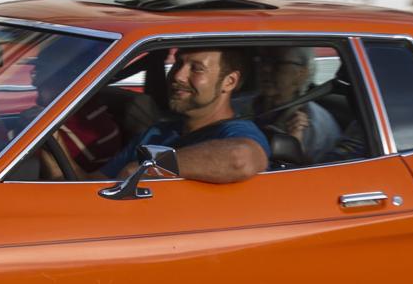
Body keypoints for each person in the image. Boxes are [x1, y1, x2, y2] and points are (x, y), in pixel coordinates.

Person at [53, 47, 269, 184]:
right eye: (178, 63)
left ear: (229, 82)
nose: (178, 75)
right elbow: (93, 185)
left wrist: (151, 165)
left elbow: (240, 158)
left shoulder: (236, 132)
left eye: (196, 68)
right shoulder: (158, 133)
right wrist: (52, 145)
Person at [29, 40, 122, 172]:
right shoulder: (53, 116)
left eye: (41, 72)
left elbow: (57, 178)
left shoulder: (93, 130)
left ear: (69, 79)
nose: (34, 82)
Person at [254, 46, 341, 163]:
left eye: (278, 63)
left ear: (302, 73)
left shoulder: (312, 125)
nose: (266, 68)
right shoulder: (254, 105)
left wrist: (294, 146)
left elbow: (312, 174)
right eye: (263, 60)